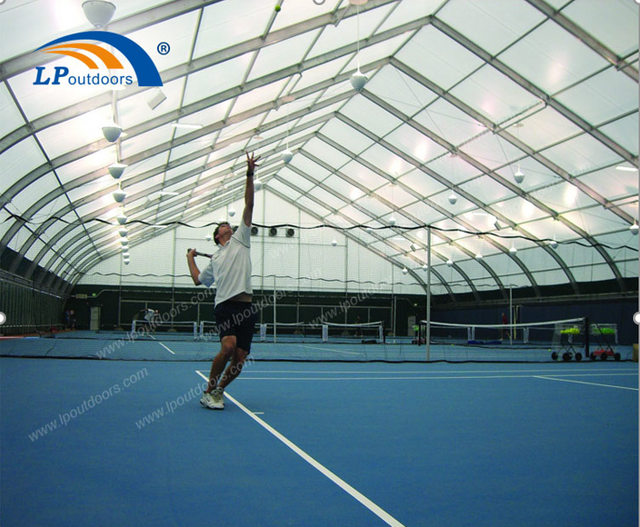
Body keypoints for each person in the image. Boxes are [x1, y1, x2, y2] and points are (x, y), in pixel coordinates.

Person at [187, 152, 260, 410]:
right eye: (223, 227)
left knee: (240, 359)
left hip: (247, 307)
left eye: (230, 224)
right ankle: (208, 389)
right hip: (226, 306)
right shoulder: (215, 260)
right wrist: (190, 257)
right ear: (218, 237)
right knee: (228, 347)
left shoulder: (242, 239)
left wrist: (249, 174)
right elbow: (198, 280)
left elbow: (248, 205)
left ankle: (218, 390)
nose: (228, 226)